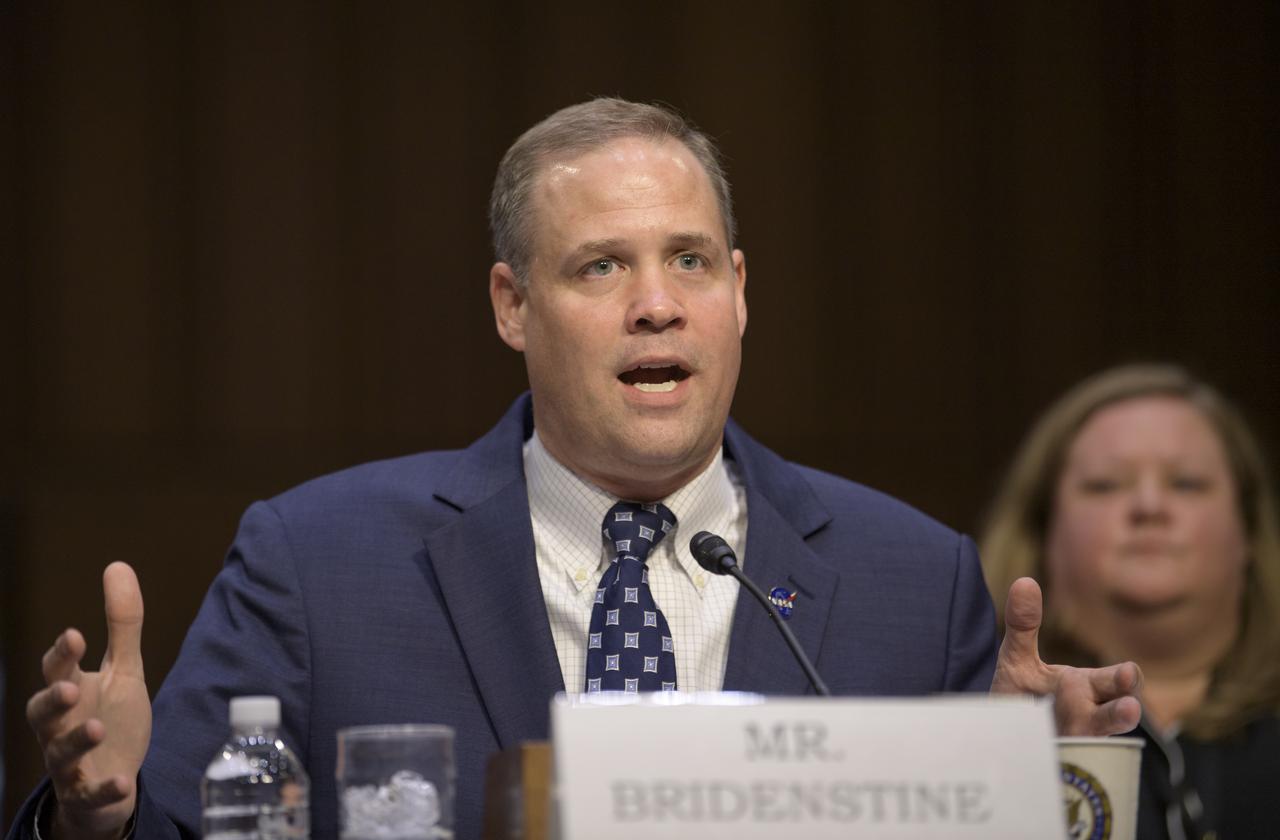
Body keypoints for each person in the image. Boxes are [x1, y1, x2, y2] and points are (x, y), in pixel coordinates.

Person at [16, 98, 1140, 840]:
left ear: (739, 292)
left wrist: (1027, 795)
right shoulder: (317, 565)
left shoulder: (915, 581)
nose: (656, 303)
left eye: (688, 260)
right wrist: (95, 820)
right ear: (512, 305)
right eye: (601, 265)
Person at [981, 364, 1280, 840]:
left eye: (1186, 483)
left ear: (1247, 531)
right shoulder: (974, 708)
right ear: (1043, 535)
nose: (1148, 505)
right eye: (1105, 484)